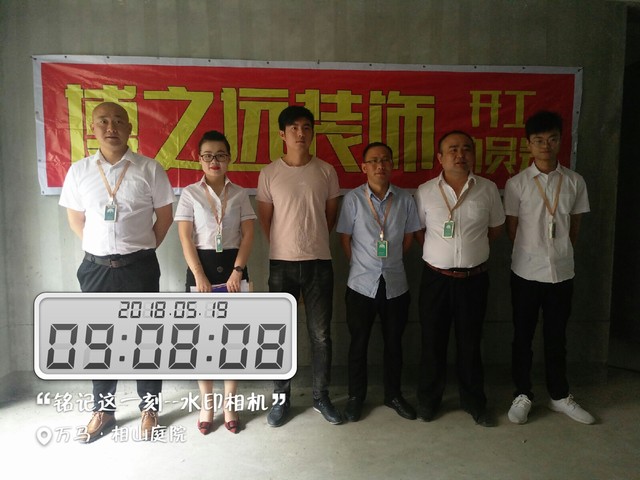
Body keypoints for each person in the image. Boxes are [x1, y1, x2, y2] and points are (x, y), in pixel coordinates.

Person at [59, 101, 175, 442]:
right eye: (103, 121)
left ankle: (149, 408)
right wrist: (101, 250)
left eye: (119, 121)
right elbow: (76, 220)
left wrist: (140, 250)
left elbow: (164, 218)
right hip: (95, 269)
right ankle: (103, 409)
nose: (111, 127)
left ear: (129, 128)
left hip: (139, 267)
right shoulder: (79, 171)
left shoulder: (149, 169)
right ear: (92, 128)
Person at [504, 111, 595, 425]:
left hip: (562, 273)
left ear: (560, 141)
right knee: (523, 336)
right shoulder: (516, 184)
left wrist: (557, 252)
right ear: (528, 144)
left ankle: (559, 395)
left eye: (552, 139)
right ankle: (522, 394)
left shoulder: (575, 181)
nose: (546, 145)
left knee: (557, 337)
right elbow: (513, 230)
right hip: (526, 273)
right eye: (539, 140)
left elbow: (575, 227)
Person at [256, 105, 342, 426]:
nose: (300, 133)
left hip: (319, 262)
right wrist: (287, 247)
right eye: (293, 128)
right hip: (282, 265)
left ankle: (321, 396)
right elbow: (266, 221)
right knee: (279, 333)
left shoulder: (326, 171)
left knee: (321, 335)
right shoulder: (269, 173)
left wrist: (311, 244)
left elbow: (330, 216)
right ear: (282, 134)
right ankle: (281, 398)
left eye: (306, 127)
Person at [414, 130, 505, 427]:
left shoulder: (488, 189)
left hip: (473, 280)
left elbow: (495, 230)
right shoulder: (425, 191)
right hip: (435, 279)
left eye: (466, 149)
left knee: (470, 343)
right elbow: (419, 231)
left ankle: (474, 401)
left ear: (473, 155)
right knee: (432, 342)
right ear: (440, 157)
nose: (460, 154)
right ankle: (429, 400)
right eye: (452, 149)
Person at [175, 130, 256, 435]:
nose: (214, 161)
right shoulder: (190, 194)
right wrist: (198, 274)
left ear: (229, 158)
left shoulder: (240, 193)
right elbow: (185, 237)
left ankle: (229, 403)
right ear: (199, 159)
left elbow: (248, 234)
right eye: (208, 155)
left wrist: (238, 271)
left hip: (234, 267)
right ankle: (207, 403)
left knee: (234, 339)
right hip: (201, 268)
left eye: (220, 155)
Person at [336, 142, 421, 422]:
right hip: (361, 284)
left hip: (395, 283)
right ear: (364, 167)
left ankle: (393, 395)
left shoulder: (405, 199)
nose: (379, 165)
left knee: (394, 344)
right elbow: (345, 239)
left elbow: (409, 238)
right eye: (373, 161)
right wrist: (363, 265)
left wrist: (389, 261)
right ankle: (355, 397)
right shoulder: (353, 199)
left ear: (392, 165)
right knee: (358, 344)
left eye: (385, 160)